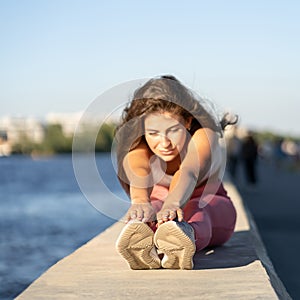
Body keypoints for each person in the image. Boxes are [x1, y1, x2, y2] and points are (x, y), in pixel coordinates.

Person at [114, 75, 237, 270]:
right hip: (162, 205)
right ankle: (142, 241)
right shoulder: (138, 147)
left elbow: (189, 170)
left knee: (195, 208)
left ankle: (184, 237)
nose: (164, 143)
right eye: (153, 133)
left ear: (187, 121)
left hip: (211, 204)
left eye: (173, 130)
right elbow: (138, 171)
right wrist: (139, 202)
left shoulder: (205, 135)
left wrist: (172, 203)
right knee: (153, 206)